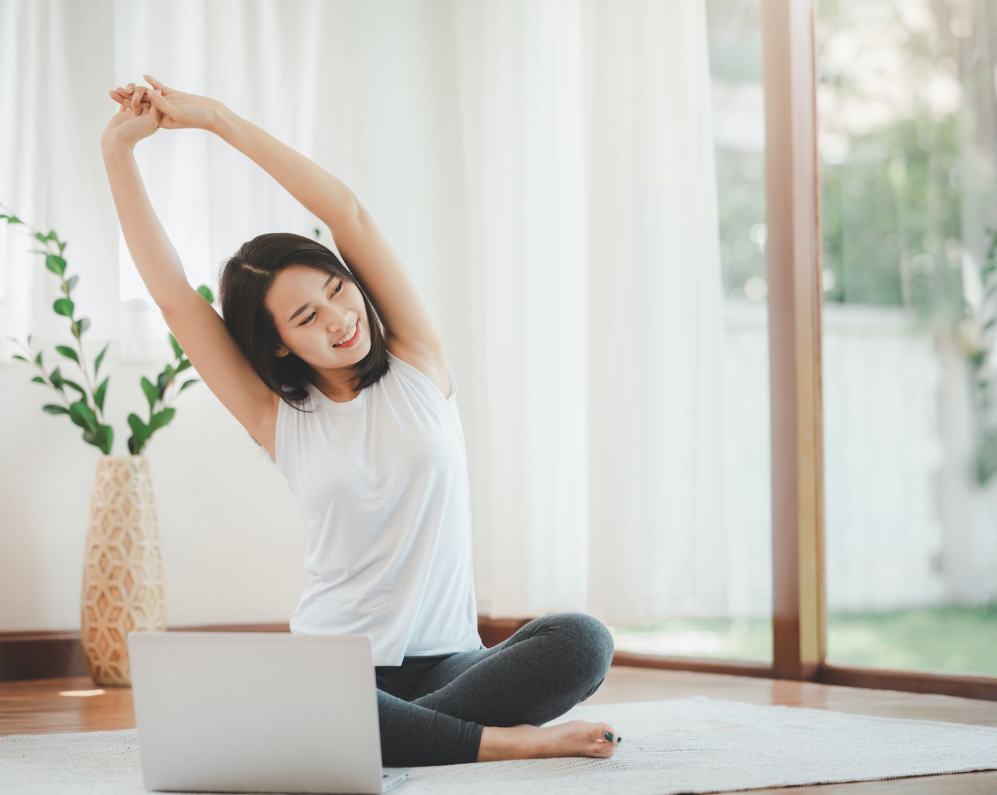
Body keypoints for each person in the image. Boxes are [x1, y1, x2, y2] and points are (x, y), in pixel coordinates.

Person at [100, 76, 621, 767]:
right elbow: (173, 299)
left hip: (451, 665)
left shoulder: (418, 363)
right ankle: (489, 742)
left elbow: (348, 213)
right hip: (336, 664)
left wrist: (219, 120)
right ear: (280, 343)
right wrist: (118, 154)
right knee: (302, 695)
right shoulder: (278, 417)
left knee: (582, 641)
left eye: (336, 289)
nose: (340, 318)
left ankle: (358, 739)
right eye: (307, 316)